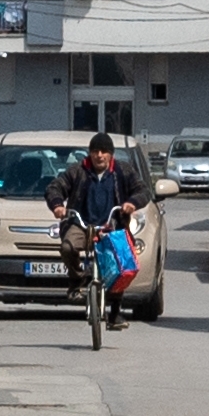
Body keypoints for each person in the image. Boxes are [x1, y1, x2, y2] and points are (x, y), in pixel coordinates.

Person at [61, 135, 138, 346]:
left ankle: (115, 312)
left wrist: (132, 202)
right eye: (95, 151)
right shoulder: (78, 171)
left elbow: (142, 190)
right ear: (90, 153)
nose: (99, 155)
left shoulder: (122, 171)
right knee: (68, 247)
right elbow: (56, 187)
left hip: (112, 226)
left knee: (122, 265)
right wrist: (58, 204)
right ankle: (77, 280)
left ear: (111, 154)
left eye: (104, 151)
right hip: (82, 225)